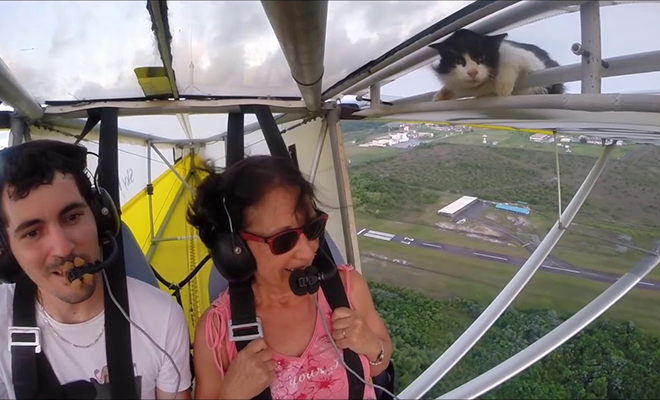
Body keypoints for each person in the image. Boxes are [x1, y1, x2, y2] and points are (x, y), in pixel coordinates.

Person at [188, 155, 393, 399]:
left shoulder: (348, 289)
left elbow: (380, 363)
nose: (307, 252)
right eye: (283, 240)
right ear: (236, 250)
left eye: (312, 229)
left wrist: (372, 346)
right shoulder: (216, 333)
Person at [0, 140, 192, 399]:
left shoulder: (162, 318)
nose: (62, 248)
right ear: (7, 251)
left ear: (101, 219)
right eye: (32, 232)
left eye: (72, 217)